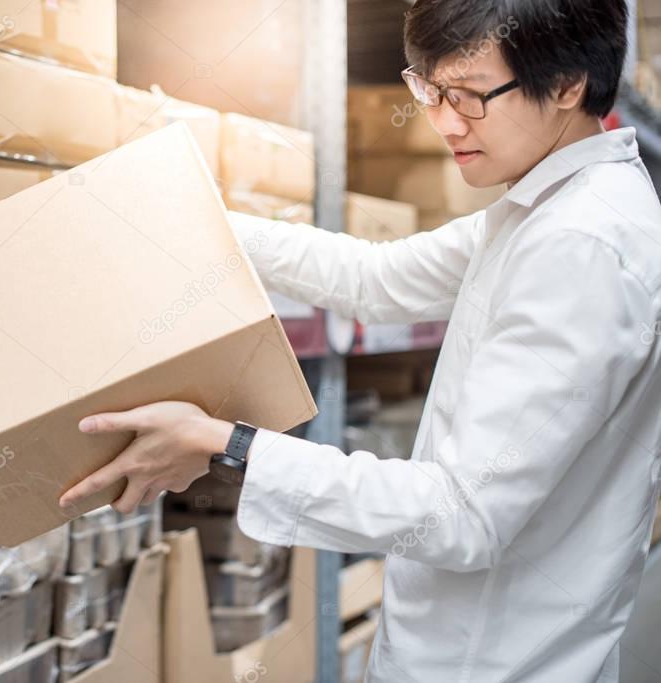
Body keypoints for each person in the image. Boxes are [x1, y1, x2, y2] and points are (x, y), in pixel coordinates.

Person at [60, 0, 661, 680]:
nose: (441, 122)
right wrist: (189, 221)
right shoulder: (543, 210)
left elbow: (462, 515)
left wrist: (225, 445)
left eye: (467, 97)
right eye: (429, 91)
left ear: (564, 84)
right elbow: (374, 276)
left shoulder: (580, 245)